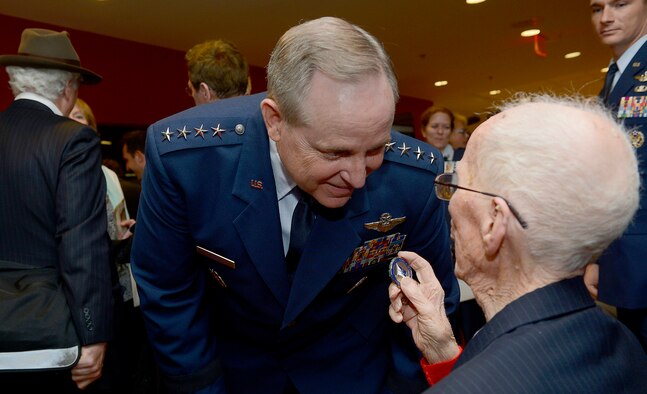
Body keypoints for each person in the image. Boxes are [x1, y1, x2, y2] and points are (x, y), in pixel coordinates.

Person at [131, 16, 459, 393]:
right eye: (334, 152)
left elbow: (430, 305)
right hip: (233, 373)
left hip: (354, 374)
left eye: (374, 148)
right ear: (275, 122)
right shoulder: (186, 160)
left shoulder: (414, 175)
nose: (357, 176)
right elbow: (169, 291)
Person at [389, 94, 647, 392]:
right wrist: (443, 351)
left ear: (494, 222)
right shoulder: (626, 346)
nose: (451, 200)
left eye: (457, 182)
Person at [0, 28, 112, 391]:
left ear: (16, 83)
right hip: (43, 332)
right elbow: (81, 244)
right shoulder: (72, 139)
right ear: (68, 88)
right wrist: (93, 334)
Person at [589, 0, 647, 352]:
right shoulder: (616, 77)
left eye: (620, 3)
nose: (606, 17)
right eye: (597, 8)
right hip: (627, 257)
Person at [185, 38, 250, 106]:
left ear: (204, 92)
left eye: (191, 90)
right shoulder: (260, 113)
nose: (192, 95)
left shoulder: (183, 116)